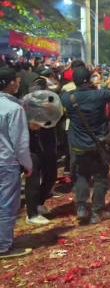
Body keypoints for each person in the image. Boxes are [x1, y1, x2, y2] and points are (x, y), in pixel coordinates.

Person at [61, 66, 110, 224]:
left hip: (78, 145)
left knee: (81, 175)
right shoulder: (99, 95)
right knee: (100, 177)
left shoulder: (67, 98)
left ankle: (81, 207)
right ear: (90, 79)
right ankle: (96, 211)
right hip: (98, 144)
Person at [0, 67, 33, 259]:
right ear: (11, 83)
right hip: (6, 163)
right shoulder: (14, 109)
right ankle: (4, 246)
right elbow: (20, 143)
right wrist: (27, 164)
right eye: (16, 80)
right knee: (6, 205)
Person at [24, 77, 58, 225]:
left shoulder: (51, 103)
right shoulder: (24, 104)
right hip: (31, 147)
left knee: (51, 175)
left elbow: (58, 117)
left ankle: (38, 203)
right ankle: (31, 213)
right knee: (33, 179)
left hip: (48, 144)